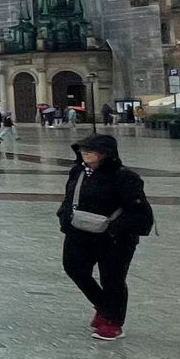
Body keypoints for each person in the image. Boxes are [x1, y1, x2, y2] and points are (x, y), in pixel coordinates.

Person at [58, 134, 153, 341]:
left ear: (105, 154)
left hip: (115, 237)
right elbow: (69, 197)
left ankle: (113, 322)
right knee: (74, 268)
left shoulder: (124, 177)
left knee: (113, 279)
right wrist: (64, 219)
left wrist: (116, 229)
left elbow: (138, 210)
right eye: (83, 151)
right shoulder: (78, 171)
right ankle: (105, 307)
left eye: (90, 151)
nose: (85, 154)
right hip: (80, 232)